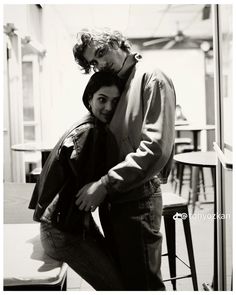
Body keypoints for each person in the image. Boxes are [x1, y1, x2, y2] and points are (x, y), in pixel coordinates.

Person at [73, 28, 176, 291]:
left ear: (119, 42)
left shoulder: (152, 78)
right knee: (125, 280)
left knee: (143, 283)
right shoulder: (119, 82)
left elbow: (155, 149)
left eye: (101, 53)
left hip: (137, 197)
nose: (99, 64)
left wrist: (105, 183)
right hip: (115, 198)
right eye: (93, 63)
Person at [28, 72, 125, 291]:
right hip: (61, 232)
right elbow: (85, 196)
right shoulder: (89, 132)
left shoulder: (88, 125)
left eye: (115, 101)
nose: (109, 107)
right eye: (102, 99)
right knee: (117, 287)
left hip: (65, 226)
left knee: (118, 277)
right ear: (89, 98)